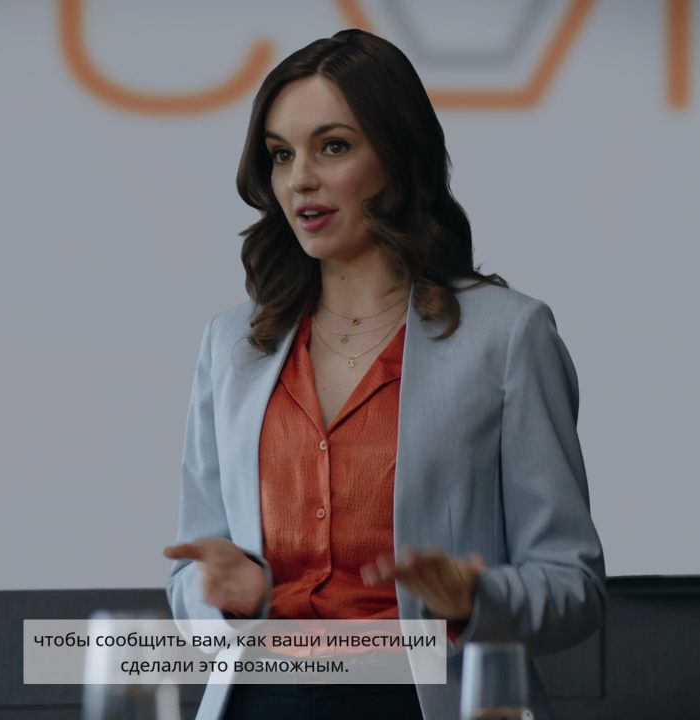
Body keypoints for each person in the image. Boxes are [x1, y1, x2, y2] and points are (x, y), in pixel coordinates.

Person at [163, 28, 605, 720]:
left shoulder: (509, 336)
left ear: (397, 158)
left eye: (333, 147)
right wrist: (222, 596)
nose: (300, 179)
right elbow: (189, 577)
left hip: (425, 700)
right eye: (281, 154)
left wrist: (474, 599)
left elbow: (573, 587)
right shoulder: (231, 344)